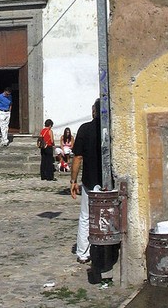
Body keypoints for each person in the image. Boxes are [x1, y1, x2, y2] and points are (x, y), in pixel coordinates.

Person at [70, 99, 103, 264]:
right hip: (106, 181)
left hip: (89, 180)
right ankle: (104, 250)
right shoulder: (108, 128)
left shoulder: (85, 129)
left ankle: (83, 252)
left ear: (93, 111)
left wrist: (73, 181)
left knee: (86, 216)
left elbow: (78, 157)